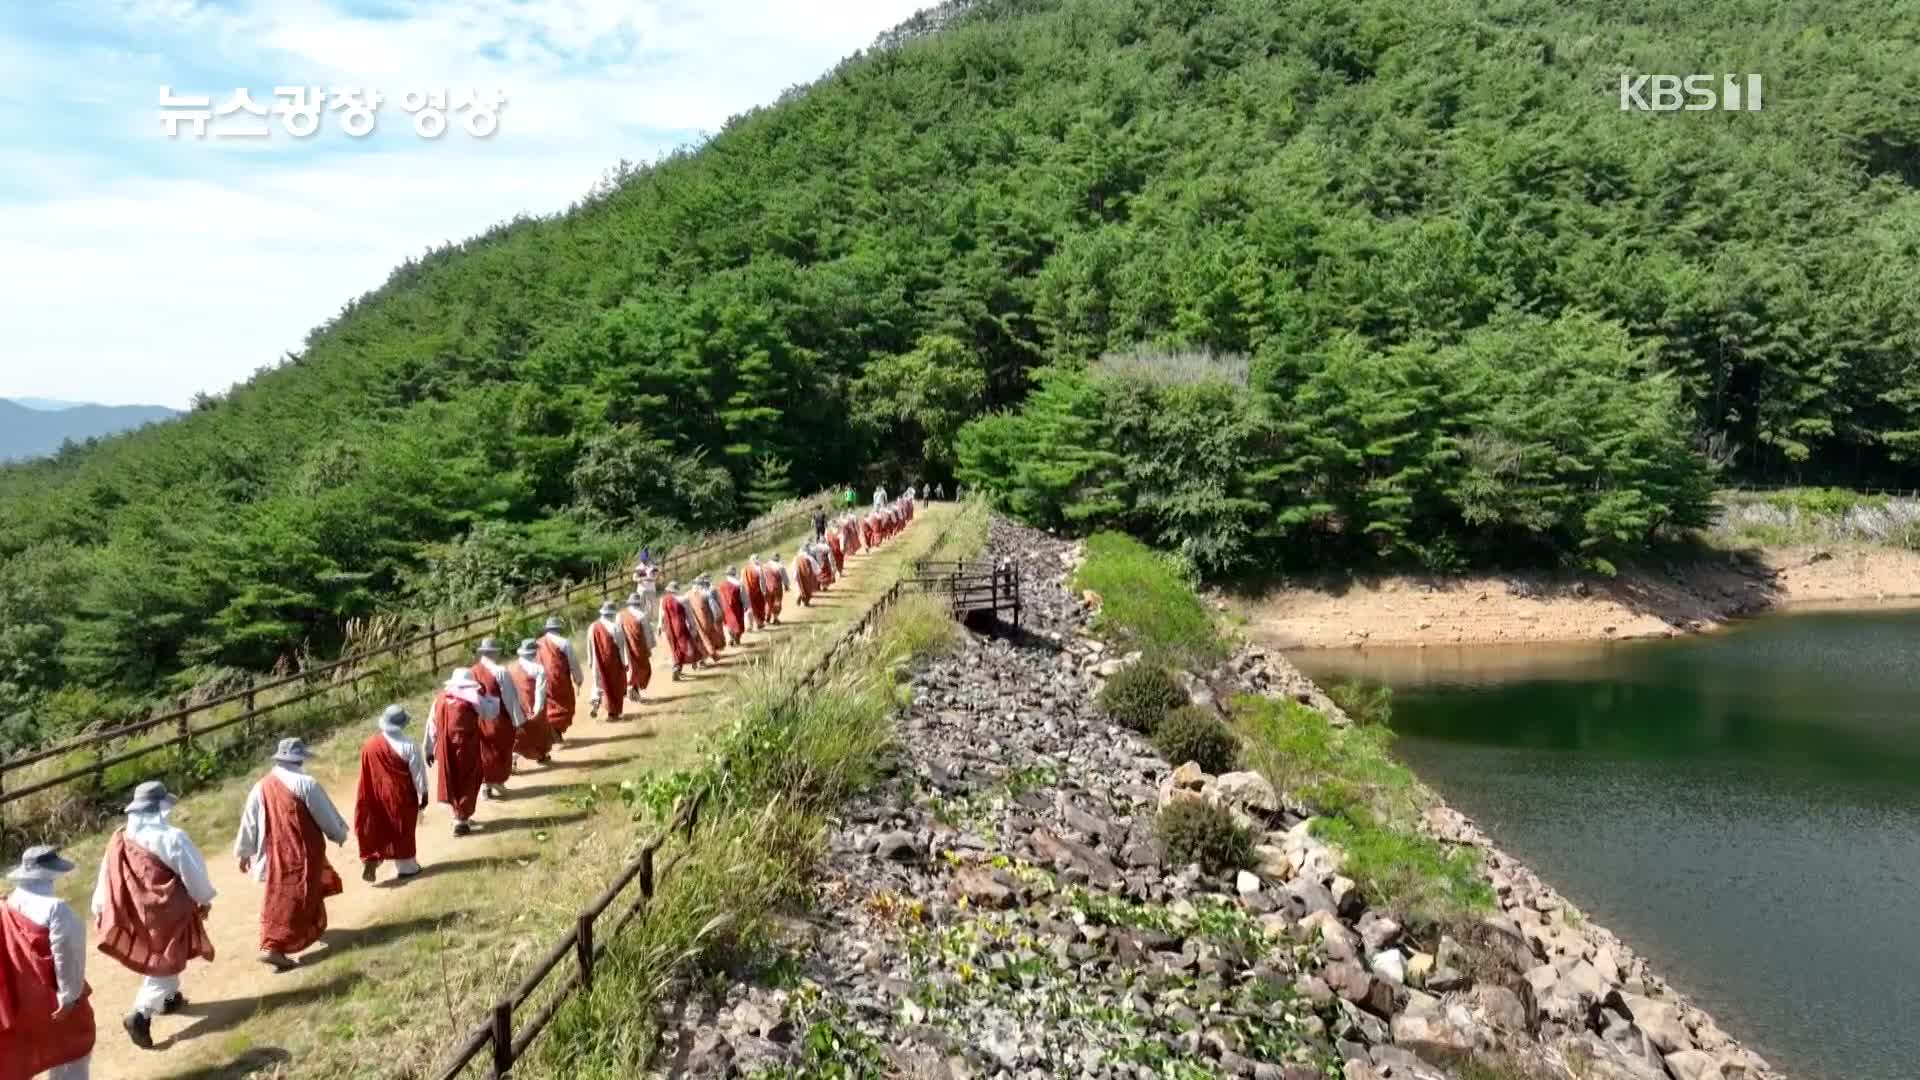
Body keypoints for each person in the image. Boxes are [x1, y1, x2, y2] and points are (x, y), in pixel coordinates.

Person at [90, 781, 215, 1049]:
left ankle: (167, 1000)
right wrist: (203, 899)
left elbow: (107, 875)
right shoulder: (172, 837)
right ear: (160, 807)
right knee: (166, 961)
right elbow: (193, 873)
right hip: (166, 912)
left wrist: (100, 906)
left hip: (134, 911)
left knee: (158, 958)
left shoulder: (120, 839)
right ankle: (140, 1014)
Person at [233, 737, 348, 971]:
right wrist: (338, 834)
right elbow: (324, 814)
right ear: (300, 759)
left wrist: (244, 853)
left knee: (284, 896)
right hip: (302, 854)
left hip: (274, 856)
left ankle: (280, 942)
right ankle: (274, 946)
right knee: (295, 899)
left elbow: (250, 822)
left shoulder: (261, 786)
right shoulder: (306, 783)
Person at [3, 846, 93, 1078]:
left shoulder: (6, 905)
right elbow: (67, 955)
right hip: (54, 1001)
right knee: (74, 1054)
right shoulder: (56, 908)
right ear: (49, 874)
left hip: (22, 1003)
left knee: (38, 1051)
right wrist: (69, 996)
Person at [353, 706, 427, 884]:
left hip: (376, 795)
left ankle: (373, 858)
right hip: (400, 795)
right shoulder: (409, 745)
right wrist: (423, 794)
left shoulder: (369, 745)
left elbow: (365, 775)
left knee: (380, 827)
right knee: (402, 829)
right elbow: (418, 774)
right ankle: (407, 867)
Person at [426, 669, 494, 836]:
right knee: (469, 781)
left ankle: (459, 816)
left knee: (453, 781)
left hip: (445, 748)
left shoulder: (440, 699)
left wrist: (428, 749)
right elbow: (491, 713)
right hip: (467, 748)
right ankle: (461, 819)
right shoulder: (474, 700)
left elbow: (431, 726)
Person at [472, 639, 521, 800]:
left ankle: (485, 786)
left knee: (483, 753)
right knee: (501, 749)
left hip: (478, 719)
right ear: (494, 652)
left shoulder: (472, 672)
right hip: (498, 718)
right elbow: (510, 698)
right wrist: (516, 720)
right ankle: (496, 780)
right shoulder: (500, 671)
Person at [535, 616, 582, 745]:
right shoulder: (564, 642)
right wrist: (578, 679)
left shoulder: (538, 643)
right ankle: (555, 729)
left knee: (550, 706)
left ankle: (554, 732)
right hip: (559, 681)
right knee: (566, 707)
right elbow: (573, 663)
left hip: (542, 680)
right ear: (558, 629)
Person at [511, 639, 554, 765]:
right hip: (533, 703)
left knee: (523, 733)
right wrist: (538, 708)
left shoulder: (515, 667)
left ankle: (513, 757)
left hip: (521, 705)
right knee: (539, 732)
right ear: (534, 653)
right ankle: (541, 754)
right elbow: (540, 690)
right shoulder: (538, 668)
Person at [586, 601, 628, 723]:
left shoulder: (592, 626)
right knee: (613, 686)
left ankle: (595, 703)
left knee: (597, 683)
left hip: (596, 662)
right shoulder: (615, 627)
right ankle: (612, 713)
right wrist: (624, 663)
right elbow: (621, 646)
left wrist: (590, 660)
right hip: (612, 664)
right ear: (612, 613)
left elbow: (589, 646)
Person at [659, 581, 701, 680]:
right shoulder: (682, 600)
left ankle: (677, 668)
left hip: (668, 627)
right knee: (686, 646)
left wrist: (660, 627)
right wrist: (693, 626)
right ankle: (686, 664)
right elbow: (689, 615)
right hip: (680, 626)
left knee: (674, 648)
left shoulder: (663, 600)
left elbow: (662, 615)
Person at [618, 592, 654, 703]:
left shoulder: (620, 615)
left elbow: (617, 632)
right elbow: (647, 634)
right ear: (638, 603)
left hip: (624, 647)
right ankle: (633, 688)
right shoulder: (642, 615)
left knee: (631, 669)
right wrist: (650, 647)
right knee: (644, 669)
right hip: (639, 647)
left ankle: (633, 690)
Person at [688, 575, 727, 658]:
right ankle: (713, 653)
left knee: (701, 639)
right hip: (707, 619)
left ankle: (706, 655)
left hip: (695, 621)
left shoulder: (688, 595)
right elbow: (714, 608)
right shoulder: (705, 594)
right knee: (710, 636)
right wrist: (717, 617)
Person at [718, 567, 748, 646]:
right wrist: (746, 605)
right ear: (734, 574)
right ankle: (736, 639)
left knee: (729, 624)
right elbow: (743, 596)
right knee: (739, 624)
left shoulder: (721, 585)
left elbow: (720, 598)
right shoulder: (739, 584)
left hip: (726, 608)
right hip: (737, 607)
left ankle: (732, 638)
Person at [744, 554, 769, 631]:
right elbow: (762, 582)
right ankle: (759, 623)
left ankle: (754, 624)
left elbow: (742, 582)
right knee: (759, 608)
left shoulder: (745, 569)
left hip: (749, 592)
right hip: (758, 593)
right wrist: (764, 591)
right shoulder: (760, 569)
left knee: (752, 608)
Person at [761, 556, 787, 626]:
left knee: (768, 602)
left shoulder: (765, 567)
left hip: (768, 588)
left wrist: (763, 588)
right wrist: (786, 586)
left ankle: (767, 617)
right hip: (777, 587)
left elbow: (762, 579)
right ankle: (775, 618)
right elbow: (785, 578)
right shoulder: (780, 566)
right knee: (777, 602)